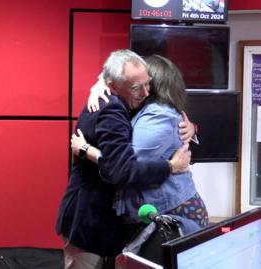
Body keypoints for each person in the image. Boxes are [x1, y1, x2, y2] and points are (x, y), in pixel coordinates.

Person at [55, 50, 192, 269]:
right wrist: (170, 166)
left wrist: (192, 128)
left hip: (98, 221)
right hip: (90, 219)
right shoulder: (111, 109)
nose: (145, 93)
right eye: (136, 87)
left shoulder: (121, 100)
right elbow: (123, 171)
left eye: (148, 85)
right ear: (113, 86)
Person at [73, 55, 210, 232]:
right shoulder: (146, 109)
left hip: (170, 209)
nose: (143, 90)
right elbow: (120, 69)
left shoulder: (157, 115)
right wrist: (100, 84)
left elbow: (125, 168)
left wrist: (87, 150)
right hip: (161, 207)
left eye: (147, 84)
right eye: (137, 86)